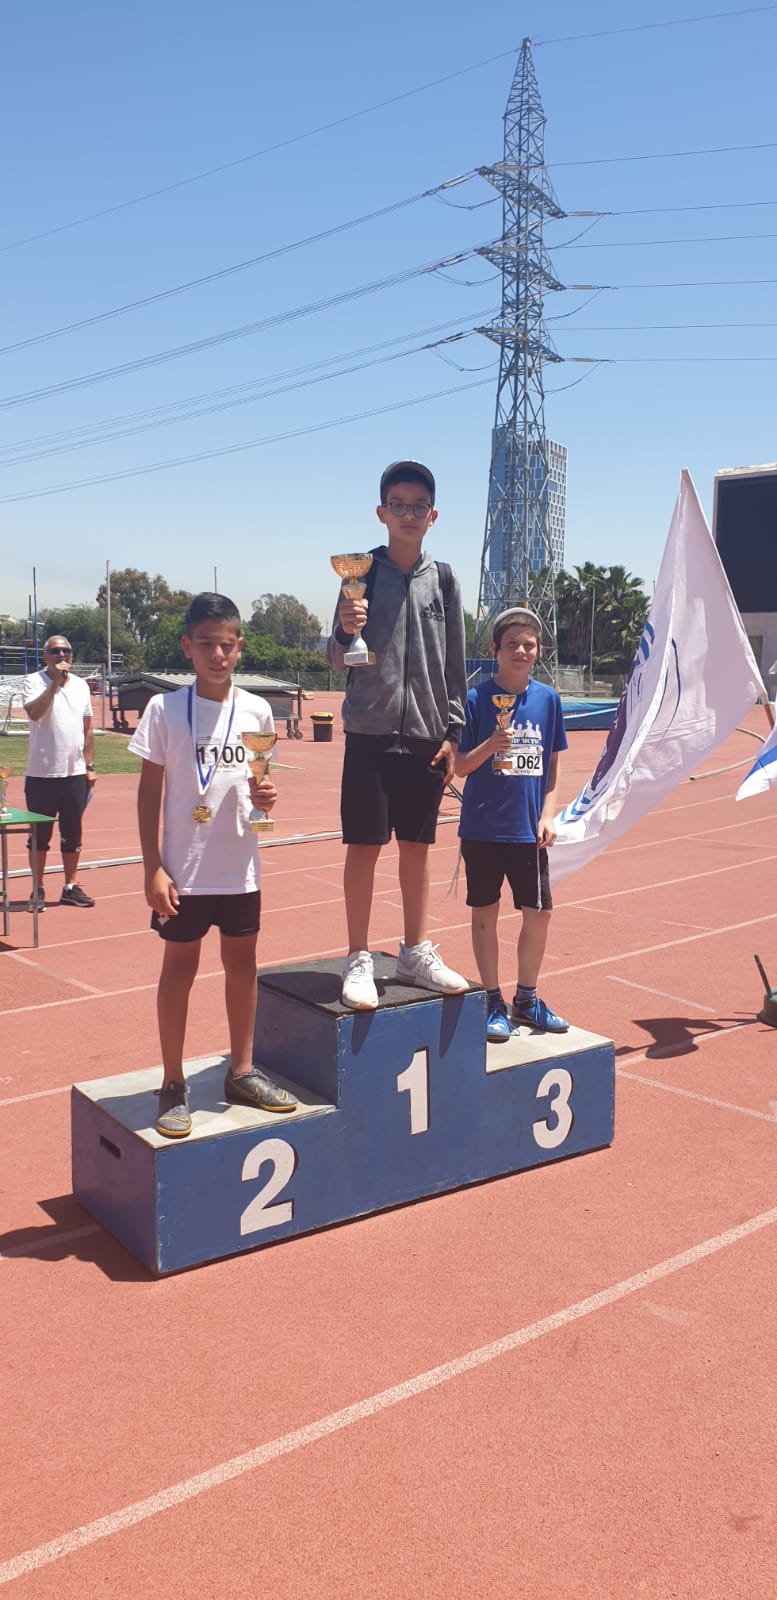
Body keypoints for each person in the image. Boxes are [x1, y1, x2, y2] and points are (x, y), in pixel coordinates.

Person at [129, 593, 297, 1138]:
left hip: (239, 867)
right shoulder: (164, 710)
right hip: (183, 871)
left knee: (242, 966)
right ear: (187, 646)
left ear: (239, 647)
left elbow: (260, 785)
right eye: (206, 644)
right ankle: (173, 1082)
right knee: (178, 970)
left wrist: (268, 796)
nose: (217, 655)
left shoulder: (256, 711)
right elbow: (148, 794)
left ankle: (241, 1071)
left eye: (226, 645)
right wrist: (152, 868)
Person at [326, 459, 469, 1009]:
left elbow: (455, 664)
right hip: (370, 729)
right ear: (381, 513)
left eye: (418, 506)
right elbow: (335, 658)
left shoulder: (446, 581)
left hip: (427, 735)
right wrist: (346, 631)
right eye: (398, 505)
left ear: (433, 516)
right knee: (364, 847)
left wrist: (453, 731)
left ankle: (414, 951)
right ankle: (358, 956)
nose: (408, 514)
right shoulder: (360, 575)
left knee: (417, 847)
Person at [454, 606, 569, 1042]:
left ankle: (527, 997)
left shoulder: (548, 700)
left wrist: (548, 813)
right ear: (495, 650)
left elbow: (552, 766)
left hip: (528, 831)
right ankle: (491, 999)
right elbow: (460, 767)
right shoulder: (476, 699)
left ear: (538, 650)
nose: (521, 651)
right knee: (485, 913)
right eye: (512, 644)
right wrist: (491, 744)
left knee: (539, 914)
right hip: (483, 828)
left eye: (529, 644)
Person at [23, 634, 97, 912]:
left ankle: (70, 887)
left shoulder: (80, 685)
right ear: (45, 656)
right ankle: (38, 888)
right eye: (55, 651)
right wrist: (54, 683)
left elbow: (87, 728)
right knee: (39, 836)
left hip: (74, 773)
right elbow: (34, 713)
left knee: (72, 834)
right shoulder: (34, 681)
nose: (62, 655)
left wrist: (89, 765)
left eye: (66, 650)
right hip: (42, 774)